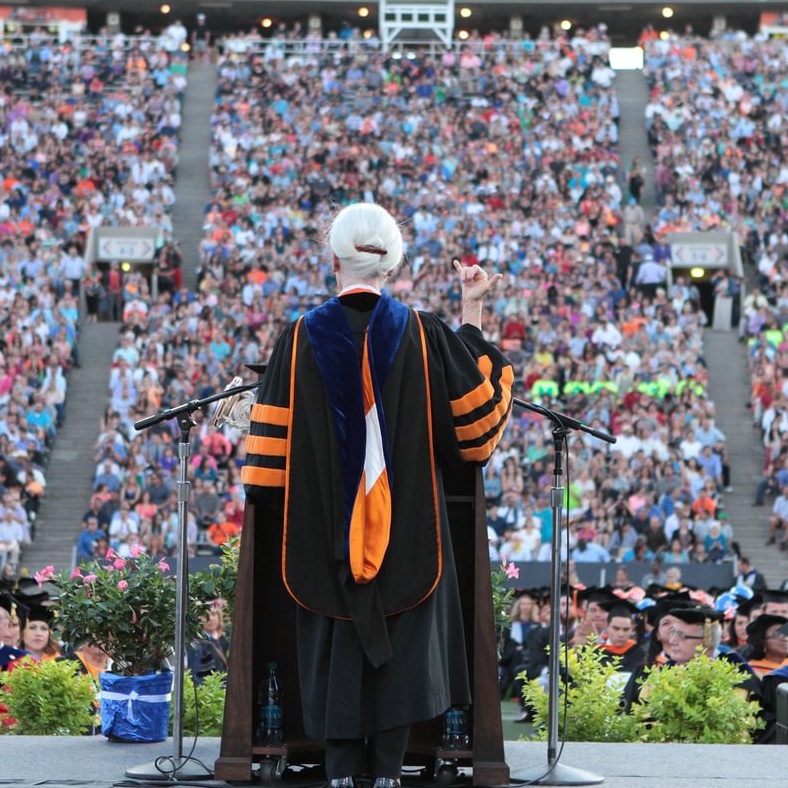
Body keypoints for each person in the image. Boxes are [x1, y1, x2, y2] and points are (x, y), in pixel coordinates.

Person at [241, 202, 513, 788]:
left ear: (333, 257)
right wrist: (473, 313)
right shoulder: (424, 333)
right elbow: (477, 432)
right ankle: (389, 769)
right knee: (402, 634)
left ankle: (339, 770)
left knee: (337, 635)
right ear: (393, 262)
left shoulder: (298, 338)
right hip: (409, 528)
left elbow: (264, 468)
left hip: (321, 532)